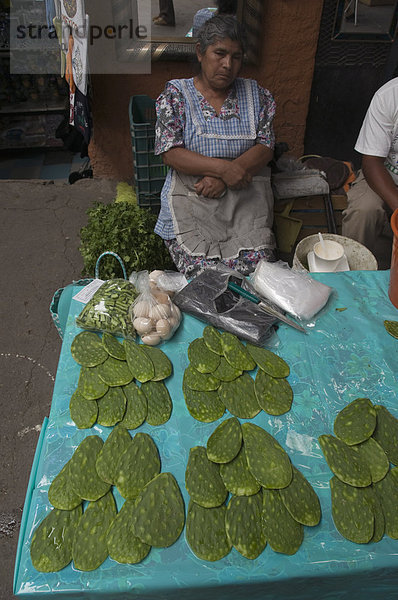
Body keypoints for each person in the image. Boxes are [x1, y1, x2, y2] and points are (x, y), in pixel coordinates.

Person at [153, 14, 276, 278]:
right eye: (219, 53)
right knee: (207, 280)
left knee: (259, 278)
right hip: (194, 202)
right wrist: (223, 169)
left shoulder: (258, 96)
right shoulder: (176, 96)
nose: (227, 64)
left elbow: (266, 146)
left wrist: (229, 177)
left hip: (245, 204)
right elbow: (170, 152)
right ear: (200, 52)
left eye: (237, 56)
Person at [342, 78, 398, 269]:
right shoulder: (389, 96)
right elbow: (372, 162)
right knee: (364, 210)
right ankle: (350, 274)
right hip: (383, 174)